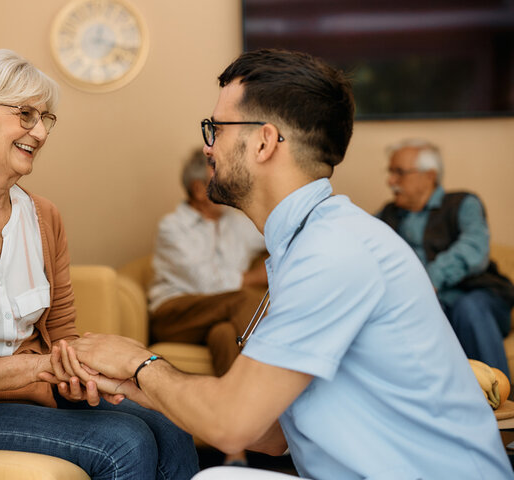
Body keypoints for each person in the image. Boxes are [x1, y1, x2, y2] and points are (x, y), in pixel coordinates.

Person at [44, 49, 513, 479]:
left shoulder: (332, 252)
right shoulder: (310, 241)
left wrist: (138, 359)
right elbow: (266, 434)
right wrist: (124, 381)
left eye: (216, 129)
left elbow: (230, 425)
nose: (208, 147)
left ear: (264, 142)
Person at [0, 49, 198, 480]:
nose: (40, 132)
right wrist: (39, 366)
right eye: (26, 115)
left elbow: (61, 335)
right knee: (125, 443)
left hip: (34, 397)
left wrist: (85, 373)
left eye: (46, 119)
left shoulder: (44, 218)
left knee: (172, 422)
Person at [148, 148, 267, 466]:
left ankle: (234, 451)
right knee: (242, 300)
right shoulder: (172, 227)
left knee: (225, 334)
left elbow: (279, 234)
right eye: (224, 177)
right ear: (200, 188)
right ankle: (270, 365)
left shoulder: (236, 223)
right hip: (176, 313)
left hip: (221, 315)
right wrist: (257, 276)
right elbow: (207, 284)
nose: (232, 185)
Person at [378, 139, 514, 379]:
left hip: (480, 298)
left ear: (429, 176)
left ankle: (503, 401)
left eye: (399, 172)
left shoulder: (463, 203)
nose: (391, 181)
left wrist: (429, 280)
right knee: (412, 314)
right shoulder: (387, 214)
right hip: (428, 304)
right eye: (390, 172)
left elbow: (473, 250)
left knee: (469, 308)